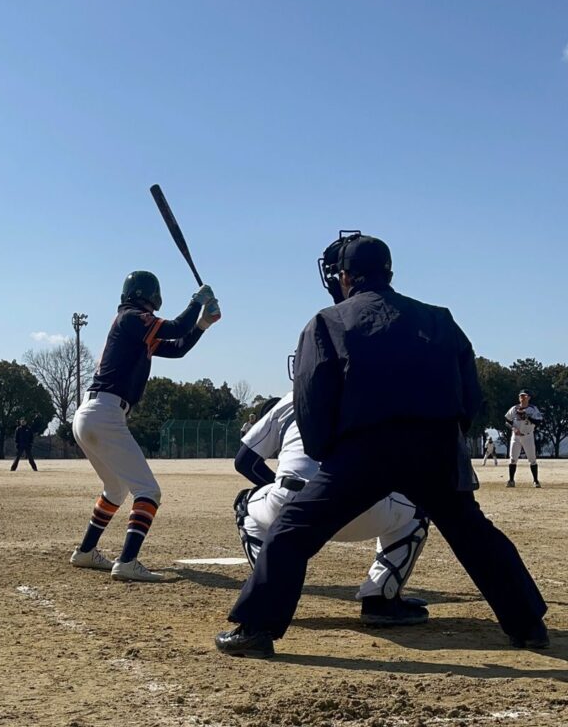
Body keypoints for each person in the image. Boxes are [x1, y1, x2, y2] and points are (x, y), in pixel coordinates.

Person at [216, 231, 547, 658]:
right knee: (473, 533)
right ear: (390, 271)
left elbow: (312, 400)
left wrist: (329, 454)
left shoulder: (328, 321)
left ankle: (257, 629)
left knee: (292, 532)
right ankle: (528, 626)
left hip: (363, 449)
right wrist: (448, 437)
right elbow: (471, 396)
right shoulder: (440, 319)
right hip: (435, 445)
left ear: (347, 277)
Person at [70, 270, 220, 582]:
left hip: (93, 412)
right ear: (152, 295)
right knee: (148, 491)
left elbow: (177, 346)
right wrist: (196, 302)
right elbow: (177, 326)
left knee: (116, 488)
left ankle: (85, 552)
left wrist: (203, 324)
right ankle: (127, 562)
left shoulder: (135, 326)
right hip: (106, 412)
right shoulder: (131, 319)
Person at [234, 392, 429, 626]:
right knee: (418, 510)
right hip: (363, 506)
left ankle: (270, 593)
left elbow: (245, 462)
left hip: (293, 509)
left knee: (246, 506)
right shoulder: (384, 393)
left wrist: (284, 488)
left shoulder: (293, 398)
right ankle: (381, 598)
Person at [505, 390, 543, 488]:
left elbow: (538, 422)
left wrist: (527, 417)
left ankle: (535, 480)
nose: (522, 398)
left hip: (528, 436)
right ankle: (511, 480)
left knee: (532, 459)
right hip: (516, 436)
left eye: (525, 396)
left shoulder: (533, 409)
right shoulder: (514, 408)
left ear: (529, 397)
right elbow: (507, 421)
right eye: (521, 396)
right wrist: (513, 428)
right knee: (513, 459)